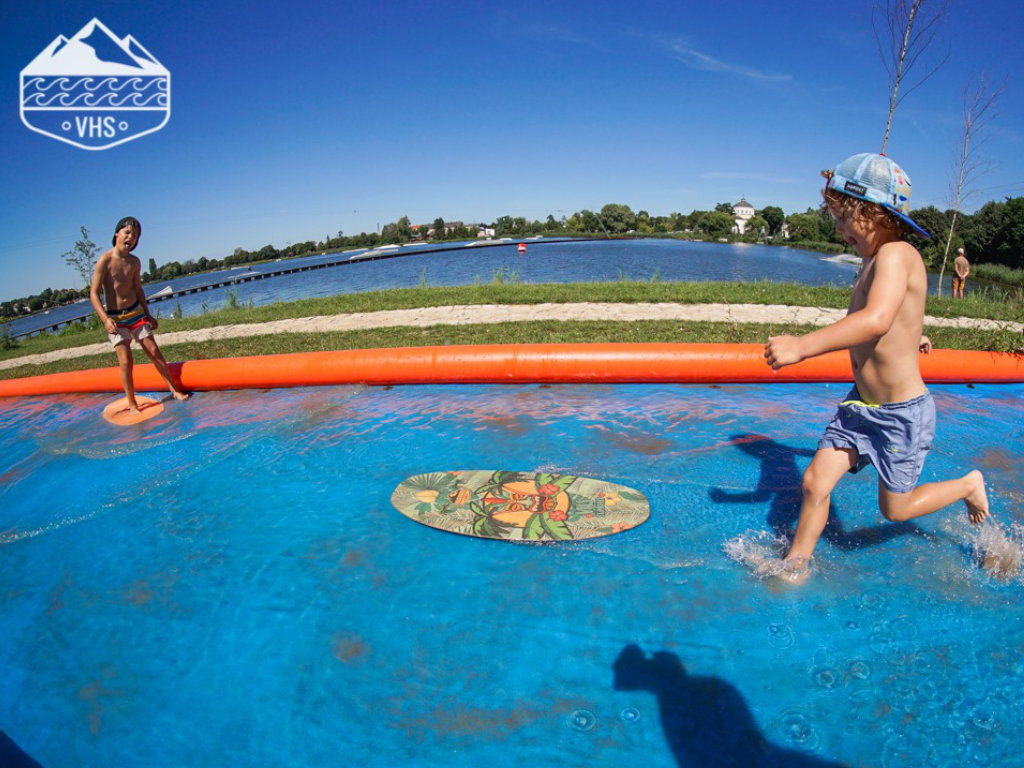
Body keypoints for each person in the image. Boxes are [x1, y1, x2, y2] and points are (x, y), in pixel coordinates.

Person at [763, 153, 989, 581]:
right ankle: (797, 563)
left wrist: (802, 346)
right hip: (860, 406)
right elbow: (895, 317)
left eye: (843, 218)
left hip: (901, 414)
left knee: (895, 509)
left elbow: (876, 319)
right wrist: (912, 334)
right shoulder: (873, 260)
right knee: (814, 481)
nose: (838, 229)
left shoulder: (898, 253)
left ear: (873, 213)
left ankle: (968, 485)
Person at [89, 216, 190, 414]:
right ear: (117, 234)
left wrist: (148, 315)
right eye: (127, 232)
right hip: (115, 318)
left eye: (135, 235)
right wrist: (105, 319)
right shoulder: (105, 260)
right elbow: (93, 293)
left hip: (136, 312)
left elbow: (138, 289)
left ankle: (174, 390)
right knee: (126, 361)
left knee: (154, 352)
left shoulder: (134, 262)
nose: (131, 237)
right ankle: (132, 404)